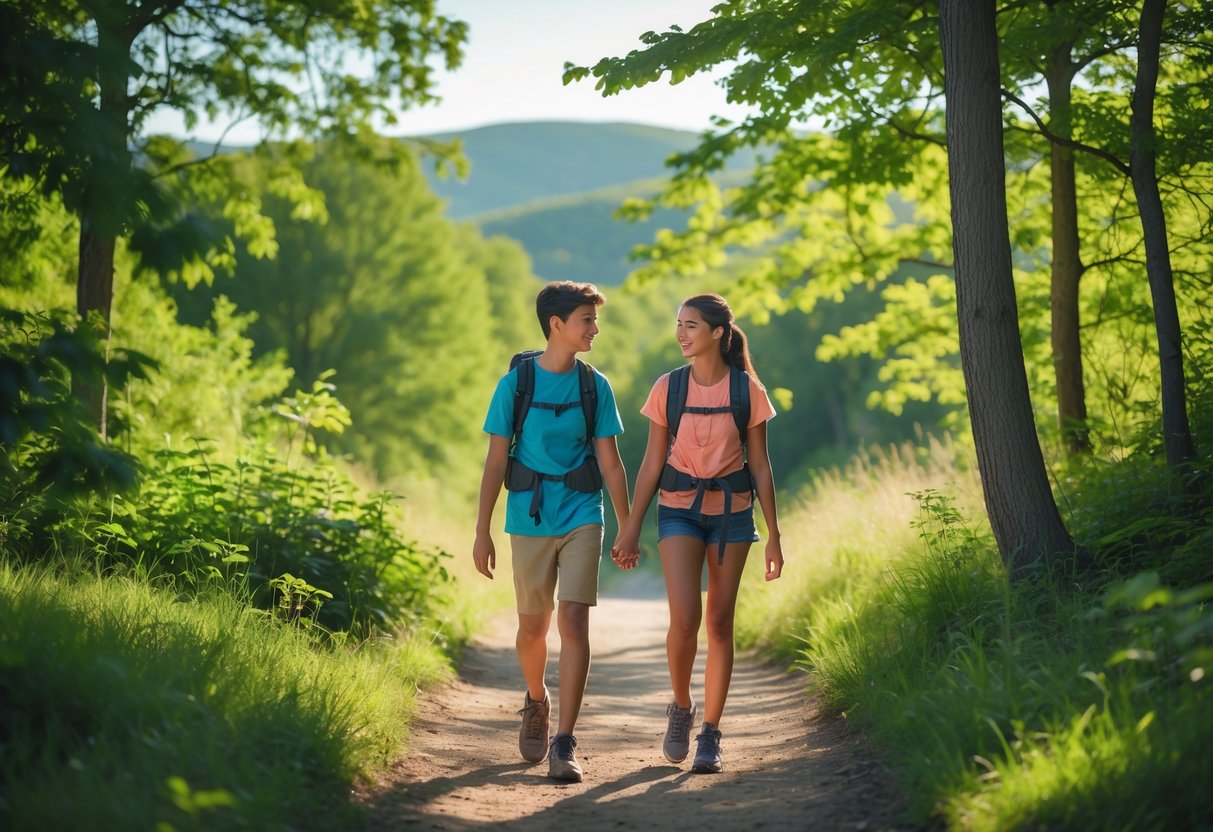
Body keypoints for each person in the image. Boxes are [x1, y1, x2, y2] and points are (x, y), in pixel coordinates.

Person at [611, 292, 784, 774]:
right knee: (685, 618)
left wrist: (773, 533)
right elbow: (650, 463)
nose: (681, 333)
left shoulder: (748, 391)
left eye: (691, 325)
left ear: (716, 334)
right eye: (679, 324)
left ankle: (711, 733)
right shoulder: (669, 387)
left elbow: (762, 466)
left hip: (733, 514)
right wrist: (629, 528)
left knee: (720, 622)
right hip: (678, 510)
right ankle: (681, 708)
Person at [473, 280, 631, 783]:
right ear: (557, 325)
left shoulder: (594, 386)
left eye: (595, 319)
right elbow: (496, 461)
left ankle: (565, 741)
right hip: (529, 517)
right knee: (532, 629)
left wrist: (627, 528)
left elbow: (612, 465)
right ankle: (536, 699)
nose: (595, 328)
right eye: (587, 319)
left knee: (575, 623)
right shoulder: (515, 386)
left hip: (584, 512)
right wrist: (483, 531)